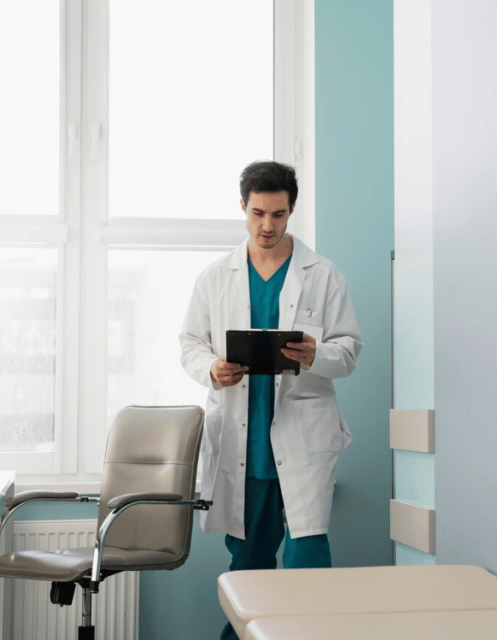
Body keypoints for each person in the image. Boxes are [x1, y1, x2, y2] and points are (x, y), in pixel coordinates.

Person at [179, 160, 363, 640]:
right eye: (258, 213)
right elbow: (190, 344)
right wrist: (212, 368)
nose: (267, 226)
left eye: (278, 215)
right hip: (245, 444)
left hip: (302, 441)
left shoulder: (323, 275)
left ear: (291, 210)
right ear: (243, 207)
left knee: (307, 561)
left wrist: (315, 353)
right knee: (249, 566)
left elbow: (349, 352)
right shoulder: (215, 277)